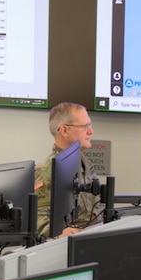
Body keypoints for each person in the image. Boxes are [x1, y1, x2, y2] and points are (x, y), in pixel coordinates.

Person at [34, 102, 102, 239]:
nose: (91, 131)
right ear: (64, 130)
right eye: (84, 126)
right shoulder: (47, 171)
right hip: (71, 246)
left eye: (90, 124)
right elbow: (37, 218)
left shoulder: (84, 163)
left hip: (93, 236)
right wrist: (60, 233)